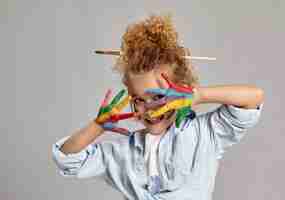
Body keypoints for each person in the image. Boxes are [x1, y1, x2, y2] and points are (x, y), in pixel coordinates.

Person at [52, 14, 264, 200]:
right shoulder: (123, 152)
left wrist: (199, 95)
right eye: (139, 99)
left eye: (159, 97)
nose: (150, 109)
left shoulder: (204, 134)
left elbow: (253, 98)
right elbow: (67, 158)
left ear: (182, 91)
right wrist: (97, 127)